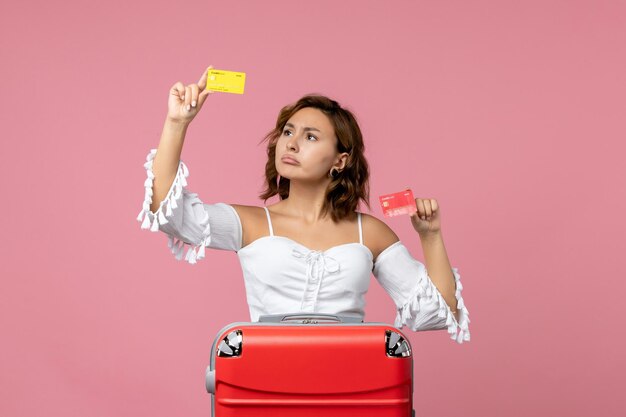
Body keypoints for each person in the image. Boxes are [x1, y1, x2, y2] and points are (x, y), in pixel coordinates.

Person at [137, 66, 470, 344]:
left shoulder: (370, 233)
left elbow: (435, 313)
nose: (291, 144)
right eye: (287, 132)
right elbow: (171, 215)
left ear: (340, 160)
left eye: (310, 137)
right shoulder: (252, 223)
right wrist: (176, 123)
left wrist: (431, 235)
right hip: (267, 385)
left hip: (351, 387)